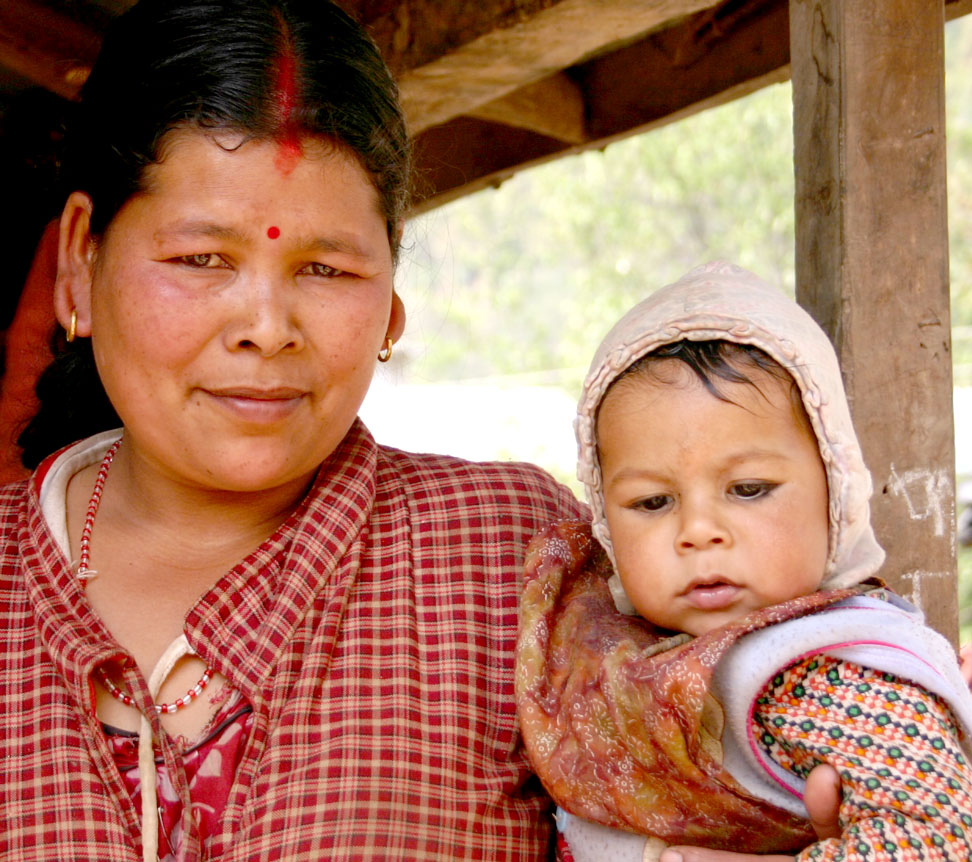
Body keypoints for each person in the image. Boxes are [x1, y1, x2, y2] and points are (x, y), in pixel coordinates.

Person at [0, 2, 844, 859]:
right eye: (200, 259)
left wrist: (929, 699)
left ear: (392, 302)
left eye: (326, 269)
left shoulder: (516, 561)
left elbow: (772, 710)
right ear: (81, 259)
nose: (265, 325)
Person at [516, 262, 972, 862]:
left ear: (836, 490)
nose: (697, 531)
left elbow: (944, 843)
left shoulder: (834, 673)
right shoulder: (610, 649)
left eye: (748, 489)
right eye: (651, 502)